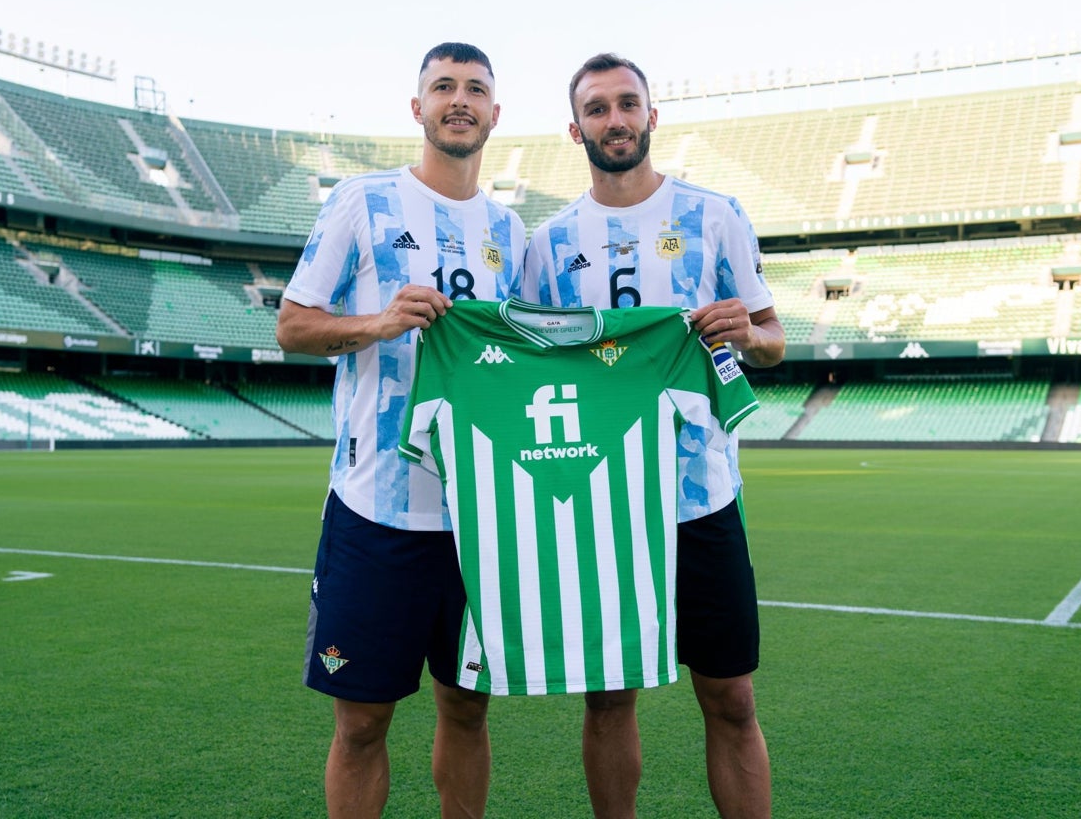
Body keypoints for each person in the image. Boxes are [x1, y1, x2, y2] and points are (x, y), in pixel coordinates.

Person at [522, 53, 786, 819]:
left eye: (627, 103)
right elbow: (536, 365)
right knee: (607, 700)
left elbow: (771, 339)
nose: (615, 119)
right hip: (602, 504)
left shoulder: (715, 216)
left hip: (702, 495)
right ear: (576, 129)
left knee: (732, 697)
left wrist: (750, 332)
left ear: (651, 116)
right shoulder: (549, 243)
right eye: (598, 108)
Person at [276, 42, 524, 819]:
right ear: (417, 107)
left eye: (474, 89)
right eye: (442, 86)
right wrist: (381, 322)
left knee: (468, 710)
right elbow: (292, 326)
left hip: (479, 514)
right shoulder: (362, 200)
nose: (459, 99)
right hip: (375, 510)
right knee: (361, 723)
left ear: (494, 113)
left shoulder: (513, 233)